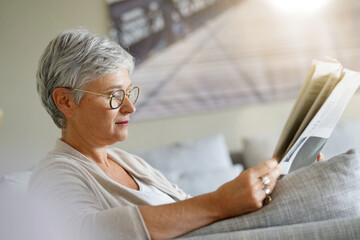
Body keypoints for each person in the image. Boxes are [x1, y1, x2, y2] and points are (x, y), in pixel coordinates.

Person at [29, 28, 283, 240]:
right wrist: (220, 202)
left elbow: (195, 211)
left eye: (129, 93)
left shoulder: (129, 162)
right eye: (115, 95)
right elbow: (90, 232)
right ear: (66, 102)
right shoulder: (54, 174)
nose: (131, 107)